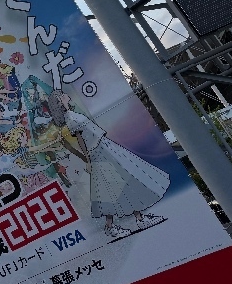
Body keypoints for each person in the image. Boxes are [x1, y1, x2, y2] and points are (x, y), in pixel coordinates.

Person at [47, 90, 168, 238]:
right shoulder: (71, 118)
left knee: (117, 183)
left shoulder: (72, 116)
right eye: (63, 95)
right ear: (60, 101)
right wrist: (89, 160)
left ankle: (127, 221)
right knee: (117, 184)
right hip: (99, 151)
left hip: (102, 148)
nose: (67, 96)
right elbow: (81, 140)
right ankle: (130, 221)